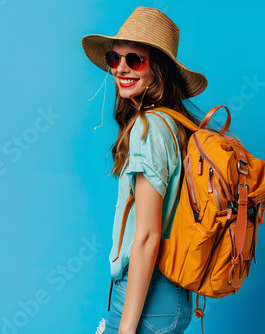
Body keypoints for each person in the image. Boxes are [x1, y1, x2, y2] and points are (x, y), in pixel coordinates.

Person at [81, 7, 208, 334]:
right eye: (114, 58)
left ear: (158, 70)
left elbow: (149, 235)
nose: (121, 68)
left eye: (135, 60)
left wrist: (125, 330)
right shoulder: (174, 125)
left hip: (148, 293)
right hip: (172, 292)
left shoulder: (147, 129)